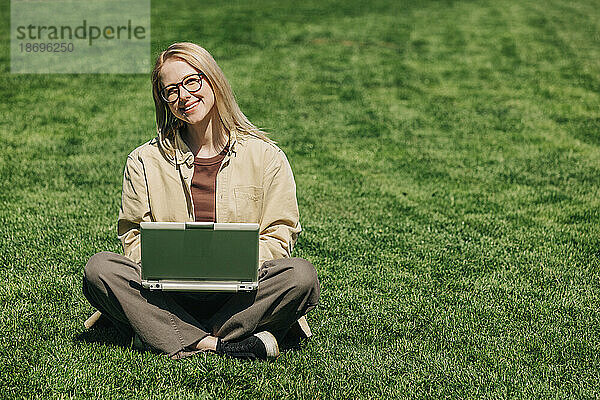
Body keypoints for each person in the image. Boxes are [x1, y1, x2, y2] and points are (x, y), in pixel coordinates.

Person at [82, 42, 320, 360]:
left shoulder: (266, 156)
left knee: (301, 276)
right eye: (171, 90)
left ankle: (162, 333)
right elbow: (133, 237)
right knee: (100, 269)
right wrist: (174, 266)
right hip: (169, 291)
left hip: (243, 291)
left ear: (212, 79)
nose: (184, 96)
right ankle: (222, 344)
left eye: (191, 81)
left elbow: (280, 234)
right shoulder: (143, 159)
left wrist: (229, 263)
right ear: (164, 101)